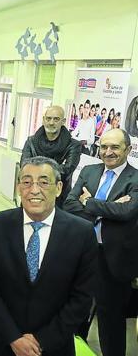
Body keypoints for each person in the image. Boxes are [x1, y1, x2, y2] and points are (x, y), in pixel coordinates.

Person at [0, 156, 98, 356]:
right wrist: (14, 338)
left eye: (44, 182)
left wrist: (42, 341)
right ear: (19, 187)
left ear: (59, 187)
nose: (34, 190)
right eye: (26, 182)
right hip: (3, 343)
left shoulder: (82, 232)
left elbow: (82, 298)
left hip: (55, 346)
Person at [64, 128, 138, 356]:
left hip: (115, 259)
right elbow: (69, 204)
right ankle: (74, 348)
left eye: (115, 147)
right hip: (84, 251)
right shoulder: (89, 170)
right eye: (104, 146)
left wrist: (90, 202)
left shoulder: (136, 178)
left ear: (128, 149)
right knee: (76, 307)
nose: (108, 152)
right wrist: (109, 208)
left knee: (110, 318)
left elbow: (128, 211)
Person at [20, 106, 82, 206]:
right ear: (44, 120)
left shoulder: (74, 145)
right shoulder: (31, 141)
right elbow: (24, 167)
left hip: (58, 199)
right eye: (48, 118)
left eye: (56, 119)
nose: (51, 122)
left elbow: (66, 171)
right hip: (31, 194)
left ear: (63, 121)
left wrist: (37, 171)